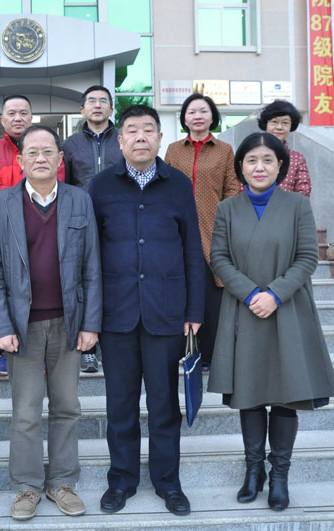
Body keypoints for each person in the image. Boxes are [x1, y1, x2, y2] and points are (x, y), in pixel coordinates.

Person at [208, 132, 334, 511]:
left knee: (285, 395)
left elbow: (308, 257)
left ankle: (280, 475)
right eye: (251, 160)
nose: (259, 167)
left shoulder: (297, 205)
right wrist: (251, 294)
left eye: (267, 160)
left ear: (280, 165)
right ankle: (254, 471)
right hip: (244, 309)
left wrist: (275, 294)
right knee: (249, 395)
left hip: (287, 311)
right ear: (241, 167)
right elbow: (219, 258)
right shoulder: (227, 209)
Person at [0, 125, 101, 521]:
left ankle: (62, 482)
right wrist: (0, 326)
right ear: (20, 161)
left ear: (60, 159)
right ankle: (27, 486)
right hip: (23, 327)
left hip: (69, 322)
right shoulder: (2, 204)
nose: (40, 158)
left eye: (48, 151)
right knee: (26, 412)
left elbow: (92, 266)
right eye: (32, 152)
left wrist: (91, 324)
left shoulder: (79, 200)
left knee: (67, 407)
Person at [89, 105, 204, 517]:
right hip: (116, 314)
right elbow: (89, 254)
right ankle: (121, 480)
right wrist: (91, 315)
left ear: (159, 138)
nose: (140, 137)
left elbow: (193, 249)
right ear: (119, 141)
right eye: (132, 131)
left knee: (164, 406)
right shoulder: (101, 185)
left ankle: (168, 483)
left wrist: (194, 310)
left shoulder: (178, 184)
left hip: (166, 312)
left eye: (148, 130)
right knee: (119, 406)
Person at [0, 95, 66, 377]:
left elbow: (55, 180)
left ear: (31, 117)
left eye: (24, 113)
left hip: (45, 224)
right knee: (8, 286)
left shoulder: (50, 151)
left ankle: (43, 354)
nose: (18, 118)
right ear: (2, 119)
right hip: (4, 227)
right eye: (12, 113)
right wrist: (18, 200)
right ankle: (6, 352)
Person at [163, 93, 238, 369]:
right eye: (192, 111)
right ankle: (181, 349)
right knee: (179, 287)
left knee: (210, 290)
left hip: (212, 226)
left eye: (203, 111)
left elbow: (232, 187)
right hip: (176, 226)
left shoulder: (224, 150)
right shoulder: (173, 150)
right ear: (184, 118)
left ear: (212, 117)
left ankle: (210, 353)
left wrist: (225, 219)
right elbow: (163, 183)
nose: (197, 116)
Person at [62, 84, 123, 373]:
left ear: (111, 108)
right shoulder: (70, 145)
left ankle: (113, 343)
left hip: (119, 221)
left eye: (103, 101)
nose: (97, 105)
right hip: (81, 222)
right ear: (82, 110)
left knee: (115, 280)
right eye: (91, 101)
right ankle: (88, 349)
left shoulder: (122, 140)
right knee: (84, 282)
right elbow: (65, 184)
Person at [254, 99, 312, 197]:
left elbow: (304, 190)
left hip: (288, 206)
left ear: (291, 125)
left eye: (285, 123)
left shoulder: (297, 158)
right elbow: (241, 187)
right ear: (266, 124)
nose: (279, 127)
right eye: (274, 122)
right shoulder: (251, 154)